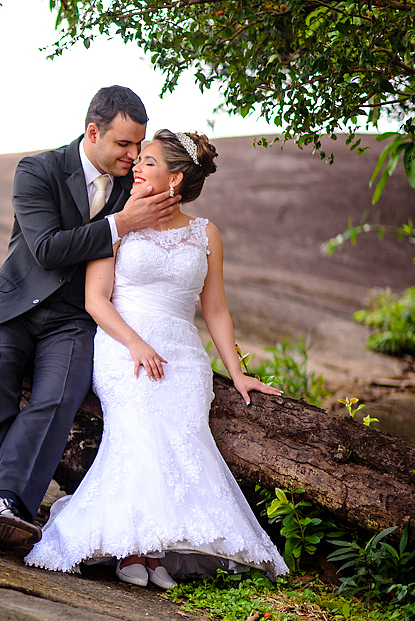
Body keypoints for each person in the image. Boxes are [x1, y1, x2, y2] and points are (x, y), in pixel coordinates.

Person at [24, 130, 289, 586]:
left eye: (147, 162)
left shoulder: (206, 232)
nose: (136, 167)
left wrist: (238, 372)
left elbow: (216, 310)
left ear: (176, 178)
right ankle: (136, 551)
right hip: (122, 347)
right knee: (141, 433)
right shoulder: (117, 222)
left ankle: (151, 552)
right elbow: (96, 300)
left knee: (185, 439)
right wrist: (135, 343)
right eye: (138, 160)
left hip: (183, 357)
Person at [0, 86, 179, 555]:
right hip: (15, 307)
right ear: (93, 132)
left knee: (58, 394)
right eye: (124, 145)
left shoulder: (132, 185)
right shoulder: (36, 170)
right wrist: (121, 224)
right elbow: (48, 249)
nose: (133, 156)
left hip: (77, 317)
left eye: (139, 146)